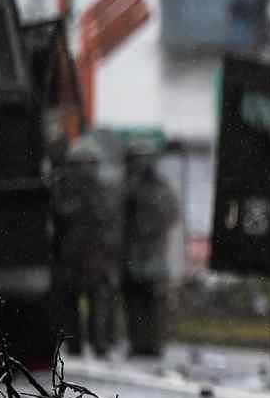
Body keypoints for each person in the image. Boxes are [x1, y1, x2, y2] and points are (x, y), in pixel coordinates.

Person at [51, 138, 123, 357]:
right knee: (70, 301)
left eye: (89, 164)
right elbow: (61, 214)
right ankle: (75, 345)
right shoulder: (63, 188)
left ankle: (99, 343)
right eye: (80, 164)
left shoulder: (104, 190)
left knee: (99, 300)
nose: (85, 169)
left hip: (97, 254)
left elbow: (112, 218)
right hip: (71, 254)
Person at [121, 145, 180, 356]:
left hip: (152, 253)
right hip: (133, 253)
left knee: (151, 302)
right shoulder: (128, 186)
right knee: (135, 301)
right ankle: (139, 343)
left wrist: (150, 226)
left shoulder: (158, 188)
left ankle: (152, 343)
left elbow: (171, 214)